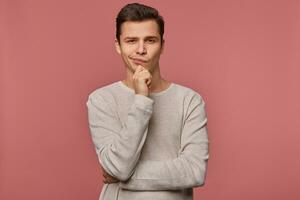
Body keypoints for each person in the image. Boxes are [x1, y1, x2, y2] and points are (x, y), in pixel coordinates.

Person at [86, 2, 210, 200]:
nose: (141, 49)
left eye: (150, 40)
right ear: (118, 46)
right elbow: (120, 165)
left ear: (162, 45)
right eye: (131, 41)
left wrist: (122, 177)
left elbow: (194, 170)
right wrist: (141, 99)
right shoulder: (101, 100)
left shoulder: (190, 100)